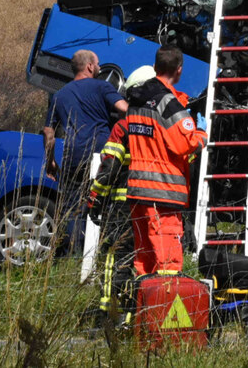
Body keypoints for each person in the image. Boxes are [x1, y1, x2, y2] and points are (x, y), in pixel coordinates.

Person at [125, 46, 207, 276]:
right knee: (167, 262)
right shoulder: (168, 103)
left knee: (144, 260)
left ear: (155, 68)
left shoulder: (136, 101)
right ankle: (163, 309)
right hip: (163, 193)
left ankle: (144, 308)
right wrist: (201, 133)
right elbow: (185, 144)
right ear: (178, 70)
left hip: (138, 191)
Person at [88, 65, 156, 324]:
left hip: (122, 206)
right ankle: (140, 312)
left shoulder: (124, 127)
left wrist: (94, 199)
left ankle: (109, 312)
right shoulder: (163, 125)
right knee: (146, 254)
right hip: (157, 202)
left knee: (114, 256)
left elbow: (109, 168)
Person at [43, 49, 128, 196]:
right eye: (98, 64)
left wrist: (50, 160)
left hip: (73, 158)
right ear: (90, 66)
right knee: (100, 204)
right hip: (100, 155)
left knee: (72, 206)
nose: (100, 68)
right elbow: (124, 109)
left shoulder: (59, 95)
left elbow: (48, 132)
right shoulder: (102, 86)